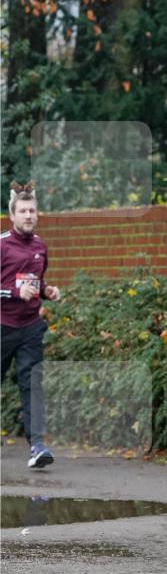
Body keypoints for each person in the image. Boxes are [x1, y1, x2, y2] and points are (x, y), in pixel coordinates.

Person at [1, 181, 61, 467]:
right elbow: (14, 287)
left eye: (32, 211)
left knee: (32, 385)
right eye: (23, 211)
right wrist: (13, 292)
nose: (28, 215)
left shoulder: (41, 246)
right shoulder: (1, 245)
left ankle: (37, 446)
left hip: (30, 328)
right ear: (12, 215)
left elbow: (37, 283)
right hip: (2, 325)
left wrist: (46, 292)